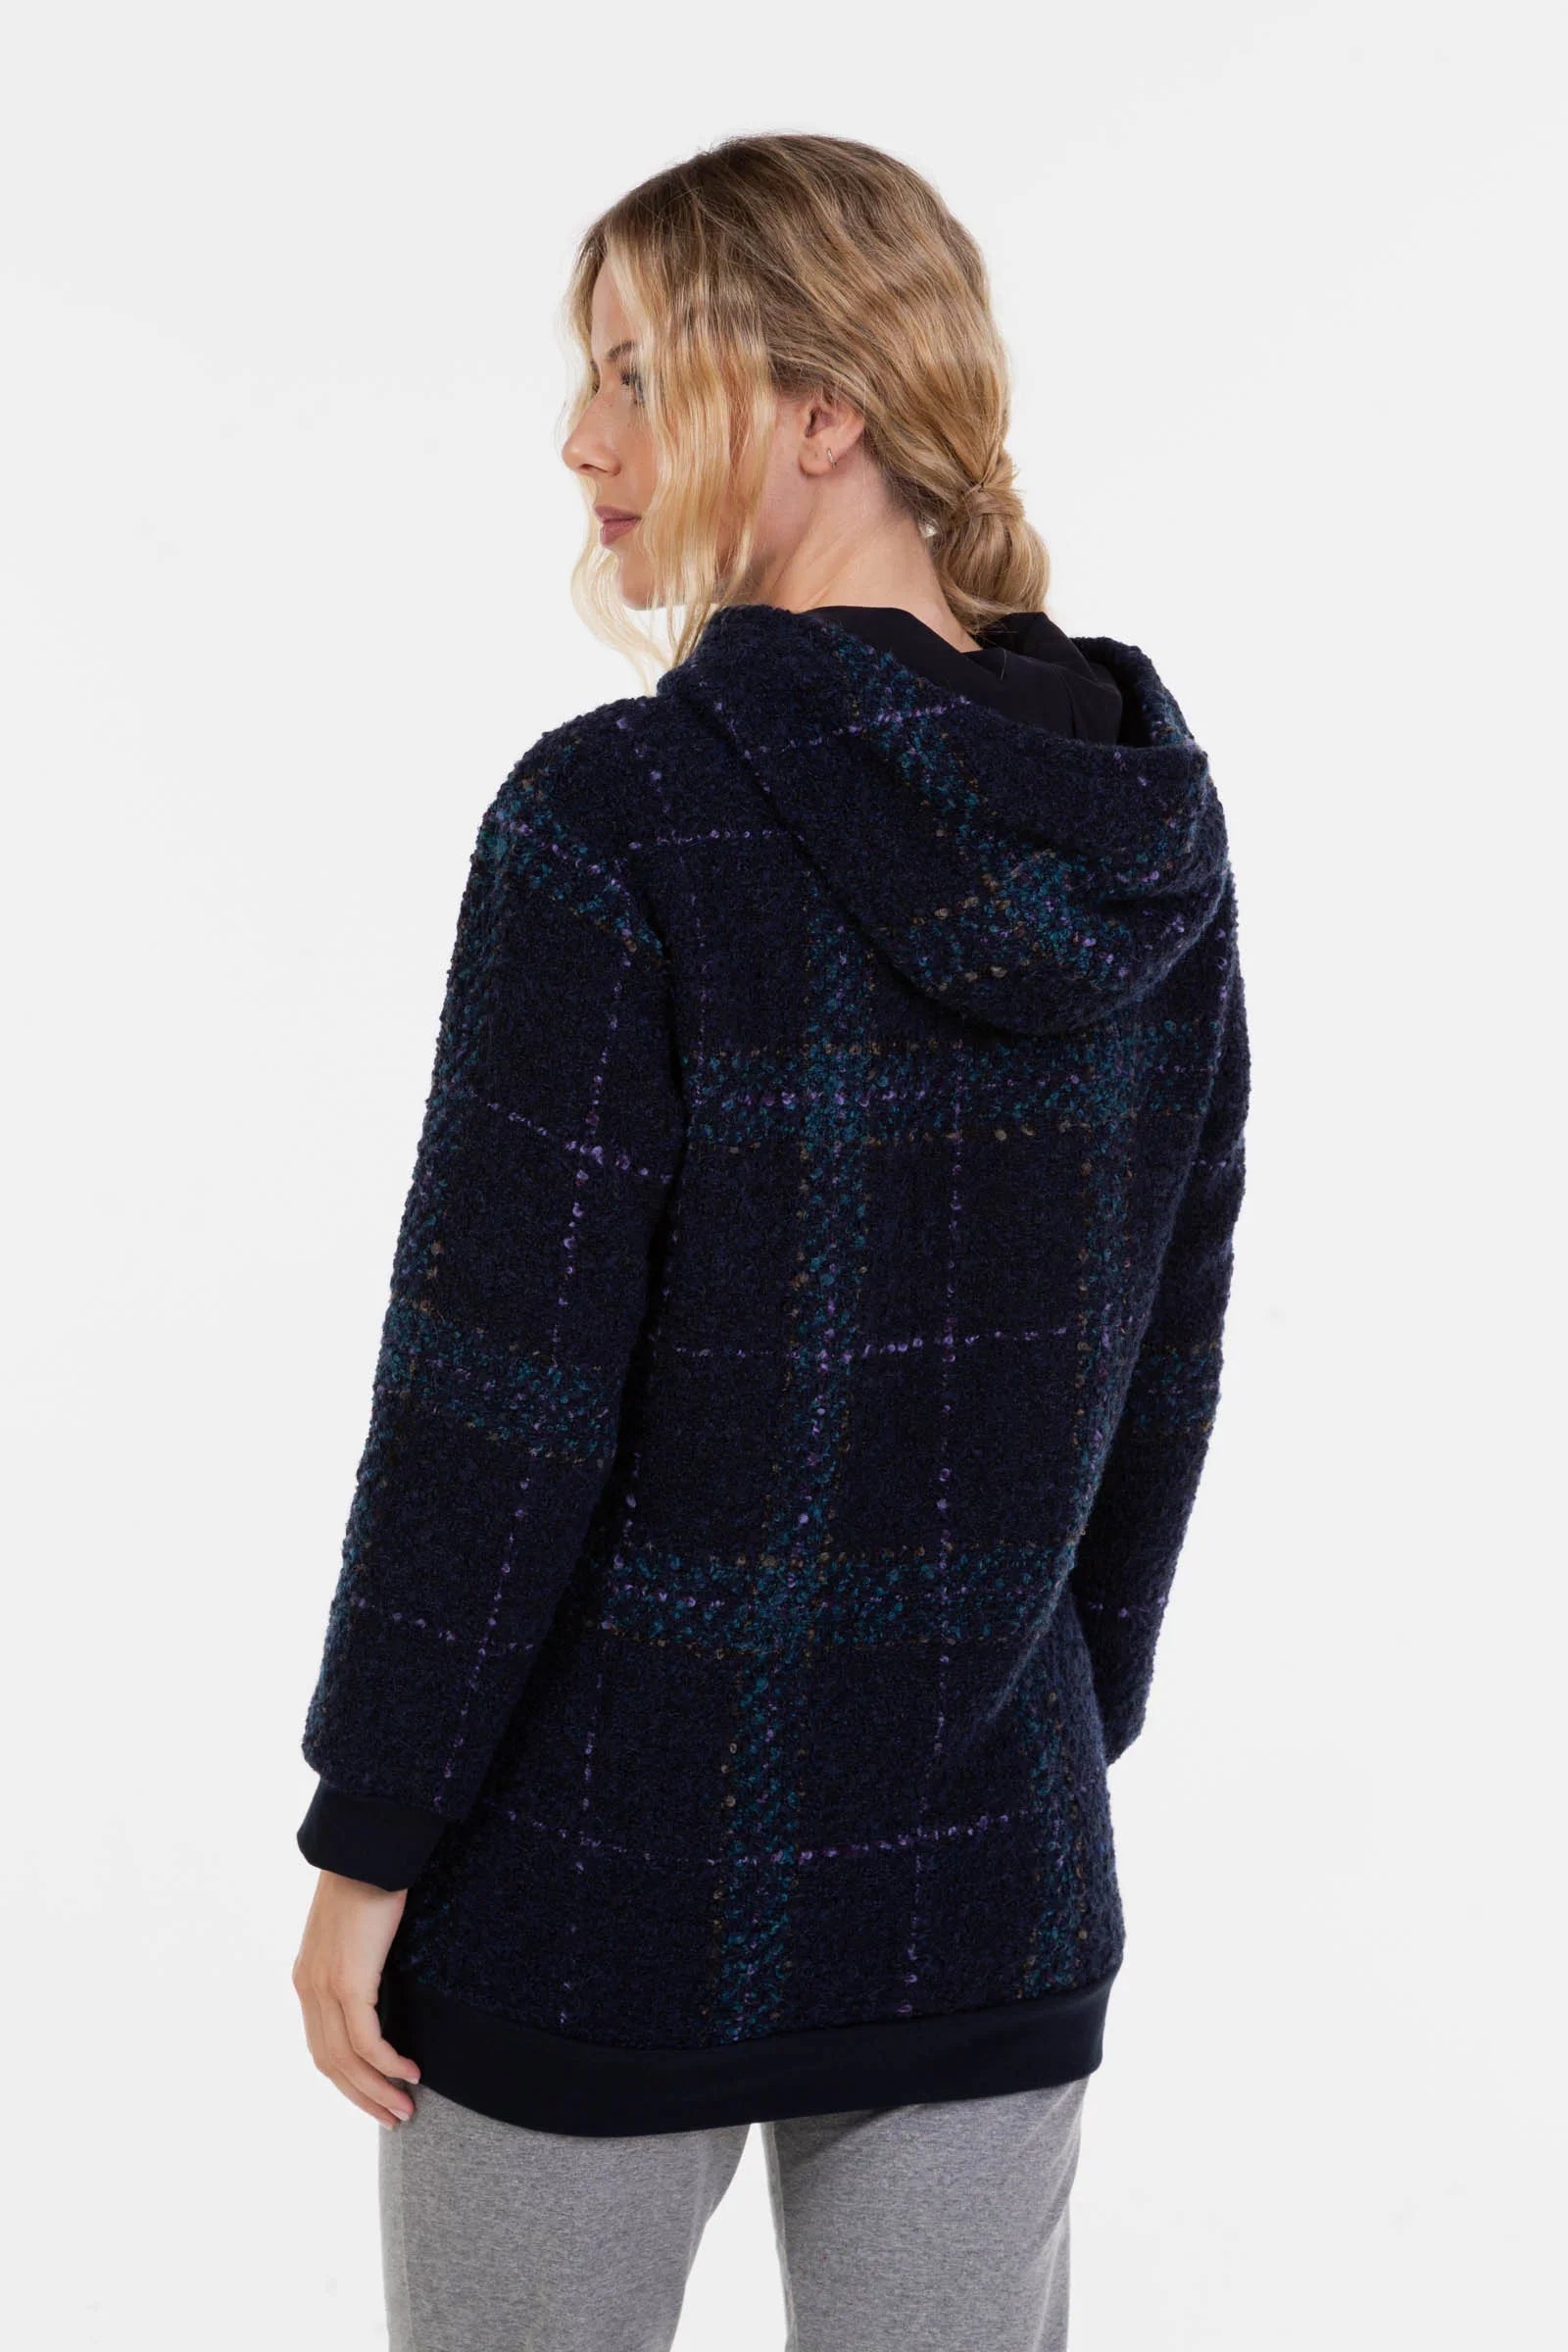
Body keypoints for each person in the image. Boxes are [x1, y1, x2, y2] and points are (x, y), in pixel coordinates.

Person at [291, 130, 1250, 2352]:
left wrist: (372, 1830)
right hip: (987, 1868)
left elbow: (494, 1396)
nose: (580, 439)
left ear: (824, 412)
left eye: (636, 371)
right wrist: (1023, 1725)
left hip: (596, 1876)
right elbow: (1164, 1365)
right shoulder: (1144, 834)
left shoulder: (619, 815)